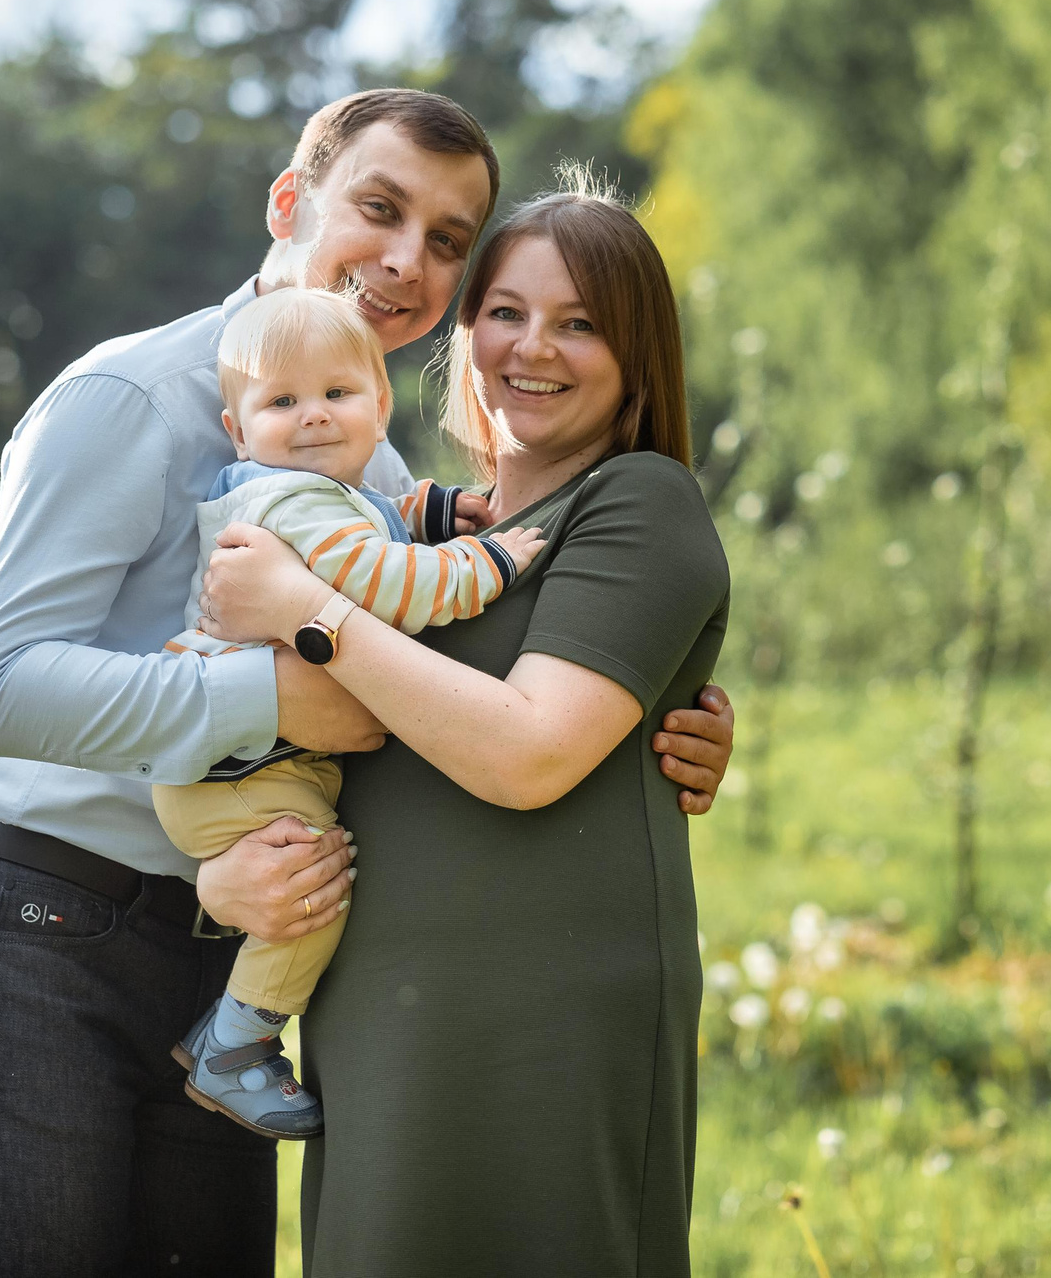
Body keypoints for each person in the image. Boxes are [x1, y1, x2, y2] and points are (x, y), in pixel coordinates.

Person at [0, 89, 740, 1278]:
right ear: (292, 203)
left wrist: (658, 713)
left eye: (449, 243)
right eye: (381, 210)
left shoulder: (371, 459)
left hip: (239, 953)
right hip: (50, 937)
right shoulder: (128, 398)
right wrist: (276, 702)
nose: (407, 261)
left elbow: (465, 679)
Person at [199, 182, 730, 1277]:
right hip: (382, 1020)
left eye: (581, 323)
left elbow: (528, 751)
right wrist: (219, 874)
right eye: (506, 312)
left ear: (638, 354)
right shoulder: (420, 529)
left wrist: (307, 612)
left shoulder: (636, 501)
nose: (534, 347)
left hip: (542, 1020)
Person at [151, 286, 547, 1140]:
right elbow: (386, 585)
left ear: (379, 404)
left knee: (306, 883)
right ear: (238, 428)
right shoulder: (290, 503)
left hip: (232, 759)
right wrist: (489, 561)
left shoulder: (307, 496)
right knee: (311, 895)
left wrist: (431, 512)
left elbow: (370, 528)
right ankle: (236, 1043)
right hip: (246, 774)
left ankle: (238, 1039)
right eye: (281, 401)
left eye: (336, 395)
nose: (314, 418)